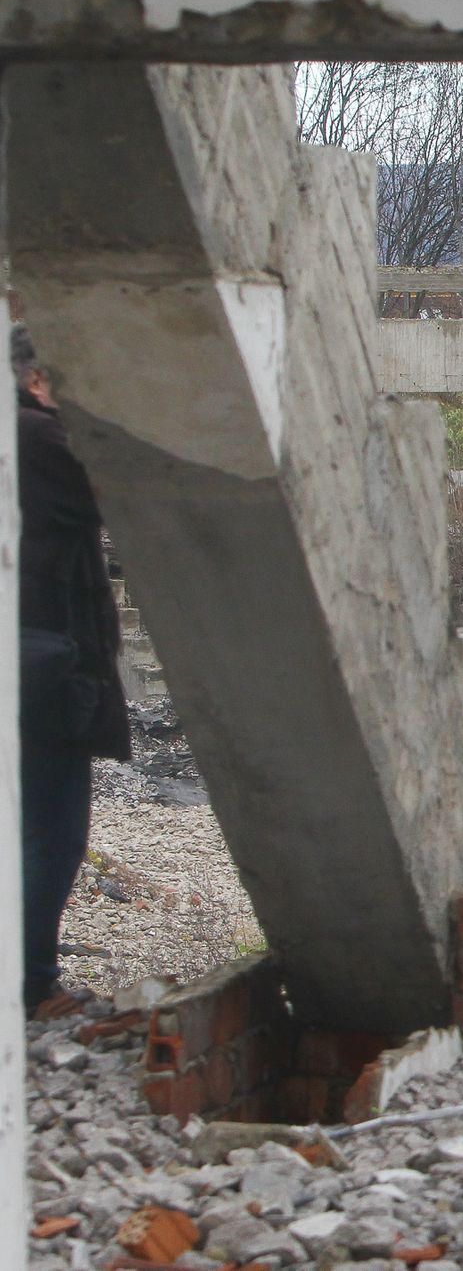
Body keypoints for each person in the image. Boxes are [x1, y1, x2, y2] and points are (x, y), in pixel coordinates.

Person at [15, 324, 130, 1018]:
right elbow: (118, 487)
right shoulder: (37, 439)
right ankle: (30, 984)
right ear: (39, 380)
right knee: (51, 832)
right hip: (43, 671)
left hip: (34, 660)